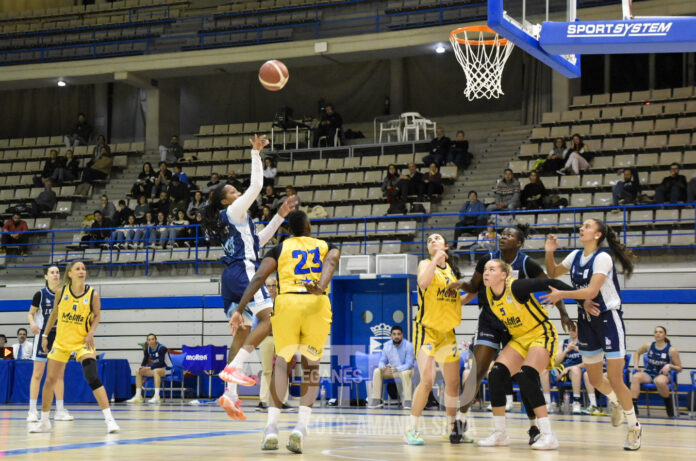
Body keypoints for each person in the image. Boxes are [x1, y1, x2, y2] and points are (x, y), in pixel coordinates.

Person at [446, 224, 572, 445]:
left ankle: (534, 426)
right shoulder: (488, 259)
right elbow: (474, 286)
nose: (503, 237)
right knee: (481, 370)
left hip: (520, 325)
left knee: (525, 374)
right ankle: (461, 420)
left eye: (508, 235)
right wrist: (460, 286)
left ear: (519, 242)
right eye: (502, 234)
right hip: (491, 319)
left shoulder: (526, 263)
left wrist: (564, 313)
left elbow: (550, 285)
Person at [202, 135, 297, 421]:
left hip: (230, 277)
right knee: (269, 319)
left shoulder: (240, 221)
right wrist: (256, 153)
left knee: (242, 331)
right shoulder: (232, 211)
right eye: (232, 191)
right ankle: (235, 368)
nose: (237, 193)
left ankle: (229, 394)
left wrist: (279, 216)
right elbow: (256, 185)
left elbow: (260, 240)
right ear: (224, 200)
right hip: (244, 272)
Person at [229, 209, 340, 453]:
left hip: (288, 303)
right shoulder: (325, 245)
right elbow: (331, 262)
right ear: (309, 227)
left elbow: (259, 277)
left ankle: (271, 427)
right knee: (311, 366)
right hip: (317, 305)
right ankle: (300, 427)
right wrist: (320, 287)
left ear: (289, 230)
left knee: (281, 364)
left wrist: (240, 308)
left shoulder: (281, 248)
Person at [543, 218, 642, 450]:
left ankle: (634, 427)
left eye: (587, 227)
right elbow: (554, 272)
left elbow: (592, 290)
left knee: (616, 379)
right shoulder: (576, 255)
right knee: (596, 379)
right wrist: (549, 253)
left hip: (608, 319)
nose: (581, 228)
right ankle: (617, 403)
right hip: (586, 321)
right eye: (582, 226)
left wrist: (562, 295)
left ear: (597, 235)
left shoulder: (603, 257)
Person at [476, 259, 575, 450]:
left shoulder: (517, 287)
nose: (486, 272)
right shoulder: (488, 293)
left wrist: (580, 299)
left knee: (526, 376)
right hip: (519, 339)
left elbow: (550, 282)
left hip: (540, 333)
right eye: (485, 269)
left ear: (504, 275)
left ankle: (548, 435)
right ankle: (500, 433)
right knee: (496, 374)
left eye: (492, 269)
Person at [29, 261, 119, 433]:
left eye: (83, 269)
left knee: (92, 377)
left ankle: (110, 420)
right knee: (49, 381)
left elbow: (97, 315)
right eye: (77, 269)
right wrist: (45, 335)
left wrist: (91, 332)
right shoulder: (61, 292)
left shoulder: (93, 294)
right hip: (62, 342)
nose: (81, 271)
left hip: (82, 343)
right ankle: (45, 421)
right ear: (69, 273)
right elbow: (54, 314)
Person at [404, 233, 463, 446]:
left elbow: (456, 301)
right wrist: (435, 260)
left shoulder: (453, 272)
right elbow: (422, 283)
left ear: (446, 245)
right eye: (429, 240)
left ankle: (450, 428)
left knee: (453, 383)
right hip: (426, 330)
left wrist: (475, 292)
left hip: (447, 333)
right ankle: (411, 429)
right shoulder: (425, 264)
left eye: (436, 238)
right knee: (427, 381)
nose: (432, 241)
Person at [26, 266, 73, 423]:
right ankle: (32, 411)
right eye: (52, 272)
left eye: (58, 272)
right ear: (46, 276)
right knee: (38, 374)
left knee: (59, 375)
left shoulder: (65, 294)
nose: (56, 275)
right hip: (42, 337)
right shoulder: (39, 294)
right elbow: (30, 314)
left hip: (59, 338)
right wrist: (32, 324)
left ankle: (59, 410)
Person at [630, 326, 682, 417]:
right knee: (635, 377)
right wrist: (636, 366)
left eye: (660, 332)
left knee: (659, 381)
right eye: (656, 332)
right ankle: (633, 406)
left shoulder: (671, 350)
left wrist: (669, 365)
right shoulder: (648, 345)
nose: (658, 333)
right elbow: (637, 353)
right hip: (649, 373)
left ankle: (668, 404)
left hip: (663, 375)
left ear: (665, 335)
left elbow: (679, 367)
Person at [256, 277, 291, 411]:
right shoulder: (261, 303)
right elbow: (256, 322)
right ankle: (264, 401)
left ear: (277, 287)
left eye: (273, 286)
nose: (271, 288)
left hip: (282, 338)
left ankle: (283, 400)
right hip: (266, 338)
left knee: (282, 369)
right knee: (267, 371)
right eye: (268, 286)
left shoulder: (284, 302)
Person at [367, 325, 415, 409]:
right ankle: (377, 400)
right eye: (394, 334)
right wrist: (382, 367)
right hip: (392, 370)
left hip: (406, 370)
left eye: (398, 334)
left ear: (402, 335)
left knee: (405, 373)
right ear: (391, 336)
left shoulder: (408, 345)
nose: (396, 336)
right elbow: (382, 361)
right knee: (377, 371)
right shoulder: (387, 346)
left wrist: (397, 369)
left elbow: (409, 364)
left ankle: (408, 402)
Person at [541, 322, 584, 414]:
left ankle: (576, 402)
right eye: (570, 328)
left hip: (578, 370)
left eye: (574, 328)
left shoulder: (584, 343)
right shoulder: (563, 343)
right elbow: (556, 362)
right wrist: (566, 351)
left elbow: (588, 361)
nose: (572, 330)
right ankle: (547, 402)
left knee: (575, 370)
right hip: (562, 369)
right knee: (544, 370)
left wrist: (576, 349)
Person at [127, 334, 172, 404]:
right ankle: (138, 396)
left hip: (168, 369)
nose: (151, 341)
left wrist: (149, 368)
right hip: (156, 369)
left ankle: (157, 397)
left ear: (156, 340)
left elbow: (161, 363)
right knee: (138, 371)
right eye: (149, 340)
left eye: (153, 339)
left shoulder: (162, 348)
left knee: (156, 371)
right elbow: (145, 360)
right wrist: (142, 367)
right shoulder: (148, 349)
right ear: (147, 341)